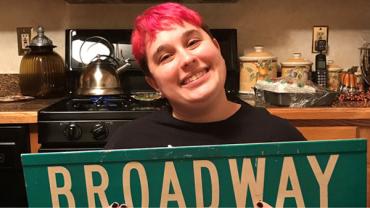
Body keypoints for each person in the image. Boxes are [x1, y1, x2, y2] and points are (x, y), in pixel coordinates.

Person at [105, 2, 305, 149]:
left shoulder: (280, 137)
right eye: (166, 56)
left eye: (192, 42)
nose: (186, 59)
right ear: (154, 83)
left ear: (218, 48)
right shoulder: (128, 145)